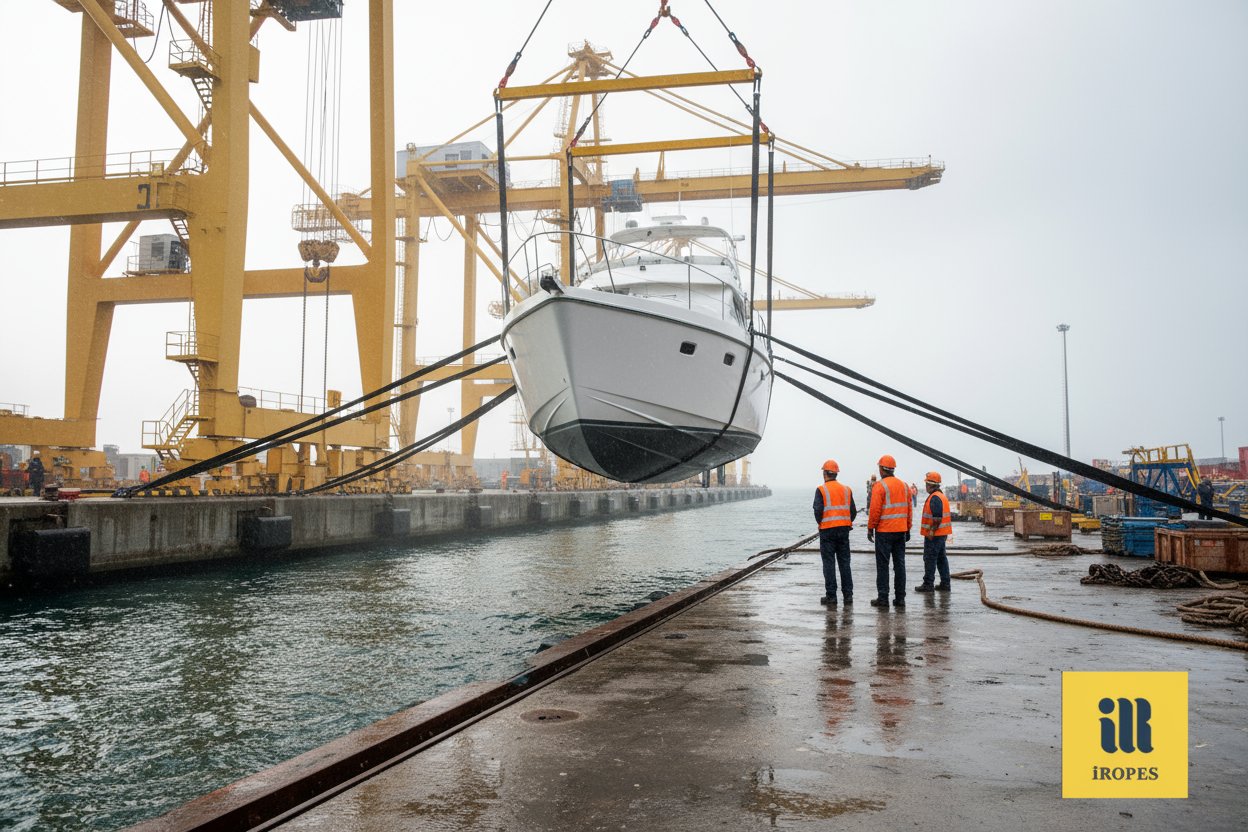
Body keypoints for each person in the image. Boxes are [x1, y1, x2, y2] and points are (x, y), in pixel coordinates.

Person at [867, 454, 913, 610]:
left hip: (884, 532)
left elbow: (874, 510)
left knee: (883, 566)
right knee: (899, 565)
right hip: (900, 531)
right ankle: (900, 598)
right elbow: (908, 510)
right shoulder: (905, 486)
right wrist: (908, 527)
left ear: (881, 469)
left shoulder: (879, 486)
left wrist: (870, 528)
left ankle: (883, 598)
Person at [813, 459, 857, 606]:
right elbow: (853, 512)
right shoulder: (847, 489)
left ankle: (831, 596)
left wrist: (823, 523)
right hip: (844, 530)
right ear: (836, 474)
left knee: (829, 564)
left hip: (827, 531)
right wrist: (844, 521)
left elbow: (818, 511)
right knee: (845, 563)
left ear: (825, 473)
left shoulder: (821, 489)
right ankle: (848, 596)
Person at [915, 472, 953, 592]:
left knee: (929, 558)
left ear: (930, 485)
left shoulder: (935, 498)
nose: (925, 486)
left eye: (926, 483)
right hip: (942, 534)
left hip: (935, 535)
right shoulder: (941, 496)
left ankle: (928, 584)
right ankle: (945, 583)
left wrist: (931, 531)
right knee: (941, 558)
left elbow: (937, 518)